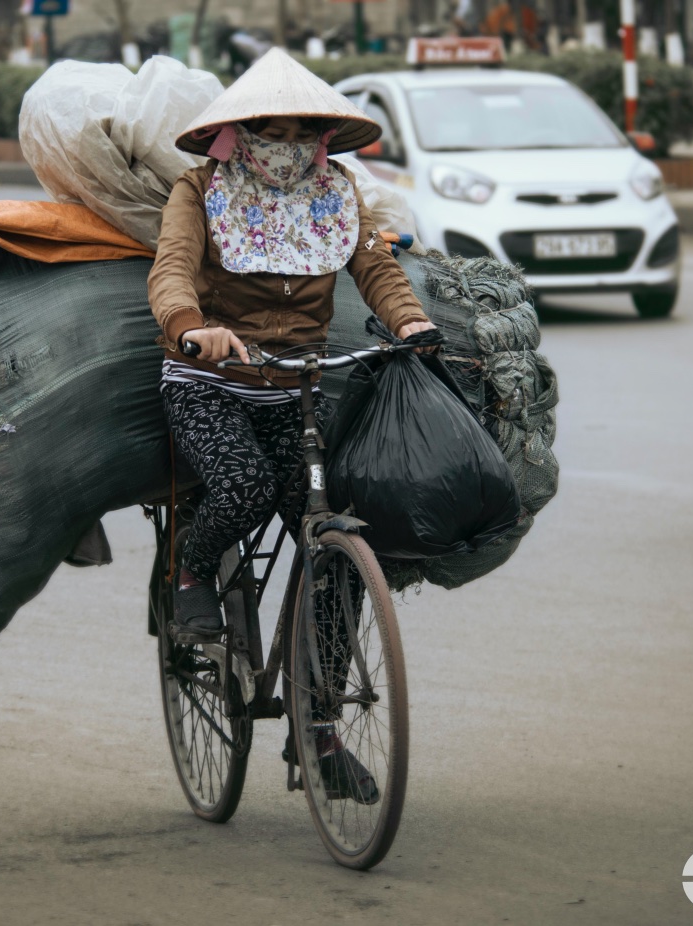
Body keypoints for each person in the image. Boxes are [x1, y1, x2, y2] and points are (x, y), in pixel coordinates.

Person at [148, 49, 435, 796]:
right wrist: (189, 326)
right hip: (209, 381)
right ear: (238, 133)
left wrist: (410, 324)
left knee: (334, 548)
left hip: (296, 388)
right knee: (239, 488)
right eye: (269, 129)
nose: (286, 142)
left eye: (301, 129)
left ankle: (320, 732)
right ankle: (188, 568)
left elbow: (374, 265)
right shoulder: (199, 189)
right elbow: (172, 266)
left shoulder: (336, 193)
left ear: (321, 138)